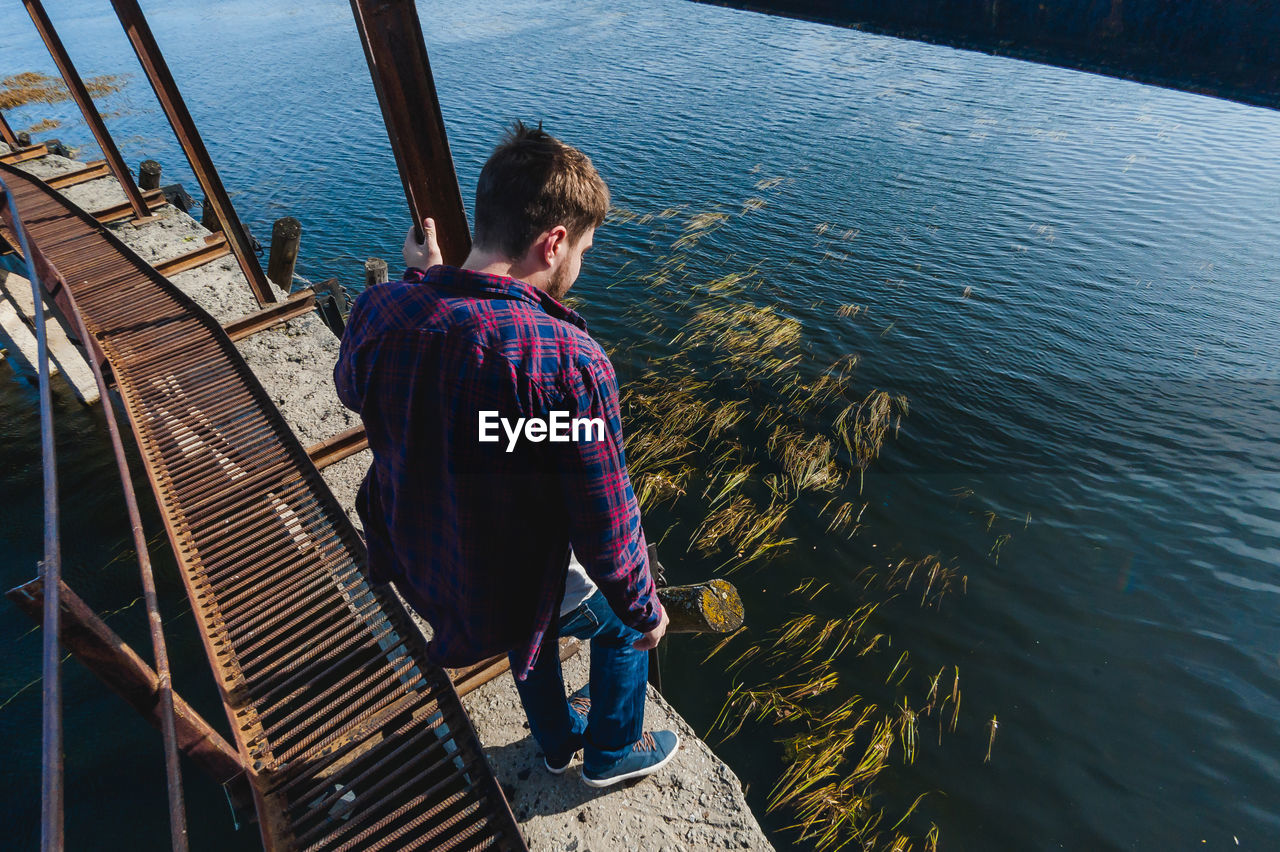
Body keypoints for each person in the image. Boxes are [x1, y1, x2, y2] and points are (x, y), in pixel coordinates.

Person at [334, 121, 678, 787]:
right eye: (582, 248)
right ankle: (609, 753)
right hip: (518, 578)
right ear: (553, 242)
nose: (580, 262)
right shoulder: (569, 365)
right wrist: (646, 607)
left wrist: (421, 275)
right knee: (621, 622)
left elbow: (362, 387)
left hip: (432, 563)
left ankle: (554, 740)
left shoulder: (380, 311)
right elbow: (608, 530)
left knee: (532, 627)